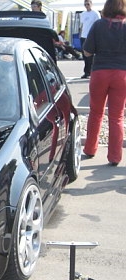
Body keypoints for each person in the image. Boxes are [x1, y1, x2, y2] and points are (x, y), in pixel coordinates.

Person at [82, 0, 126, 166]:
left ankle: (90, 149)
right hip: (122, 74)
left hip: (100, 72)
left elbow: (87, 51)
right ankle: (115, 157)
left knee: (96, 112)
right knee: (117, 116)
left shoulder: (99, 25)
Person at [80, 1, 101, 78]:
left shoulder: (95, 13)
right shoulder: (83, 14)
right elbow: (82, 25)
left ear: (91, 4)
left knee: (90, 55)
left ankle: (91, 71)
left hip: (91, 36)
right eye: (85, 4)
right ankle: (86, 72)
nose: (86, 6)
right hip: (83, 35)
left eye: (88, 4)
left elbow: (99, 24)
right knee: (84, 55)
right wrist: (80, 34)